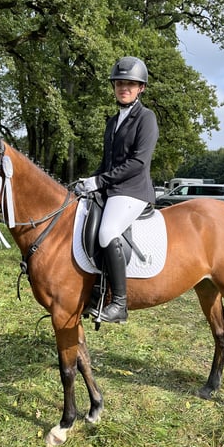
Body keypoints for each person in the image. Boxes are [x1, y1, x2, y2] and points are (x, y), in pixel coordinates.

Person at [78, 56, 159, 323]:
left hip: (133, 190)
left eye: (130, 84)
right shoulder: (113, 121)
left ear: (140, 88)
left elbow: (138, 162)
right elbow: (107, 162)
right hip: (112, 188)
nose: (124, 88)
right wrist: (90, 181)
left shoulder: (146, 118)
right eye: (120, 84)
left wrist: (101, 182)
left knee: (108, 231)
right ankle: (95, 290)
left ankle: (119, 303)